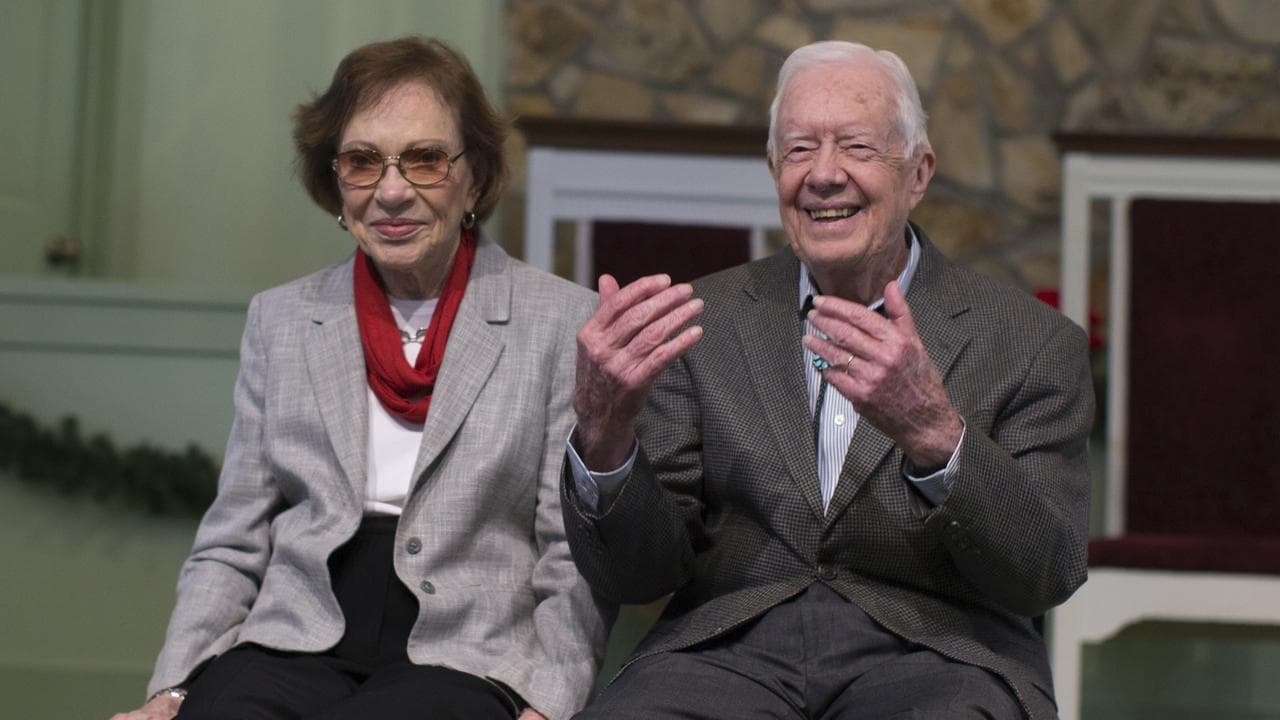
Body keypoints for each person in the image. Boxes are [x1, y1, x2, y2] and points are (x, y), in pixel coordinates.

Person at [562, 40, 1092, 720]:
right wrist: (605, 440)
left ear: (919, 173)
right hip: (729, 653)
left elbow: (1046, 570)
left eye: (857, 148)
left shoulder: (1029, 342)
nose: (824, 174)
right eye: (801, 149)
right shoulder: (700, 323)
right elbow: (639, 574)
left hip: (936, 654)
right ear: (773, 168)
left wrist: (936, 435)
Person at [111, 36, 611, 720]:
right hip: (293, 635)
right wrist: (170, 692)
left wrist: (547, 702)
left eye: (425, 160)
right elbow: (233, 538)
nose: (393, 191)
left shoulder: (560, 321)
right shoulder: (281, 319)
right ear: (336, 183)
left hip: (469, 649)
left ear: (474, 176)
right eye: (362, 162)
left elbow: (571, 553)